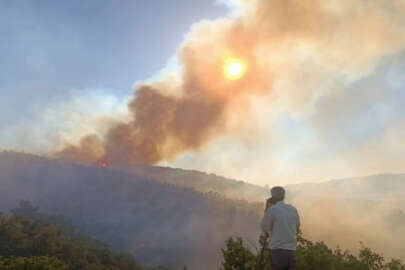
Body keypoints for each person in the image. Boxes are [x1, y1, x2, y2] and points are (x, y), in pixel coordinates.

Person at [261, 186, 300, 270]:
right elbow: (297, 227)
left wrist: (267, 208)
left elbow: (264, 227)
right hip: (291, 250)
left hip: (277, 250)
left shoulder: (272, 209)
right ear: (284, 196)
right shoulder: (293, 209)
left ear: (272, 197)